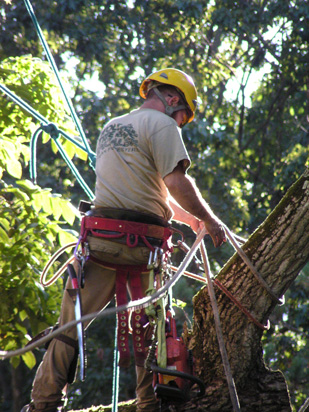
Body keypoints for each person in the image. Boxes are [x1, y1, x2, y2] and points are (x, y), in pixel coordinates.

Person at [22, 68, 226, 412]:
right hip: (142, 251)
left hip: (98, 242)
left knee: (70, 327)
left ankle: (43, 403)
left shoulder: (112, 126)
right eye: (181, 114)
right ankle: (148, 405)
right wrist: (210, 218)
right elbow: (174, 183)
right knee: (149, 333)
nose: (179, 121)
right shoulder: (163, 126)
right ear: (172, 98)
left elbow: (144, 191)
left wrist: (190, 218)